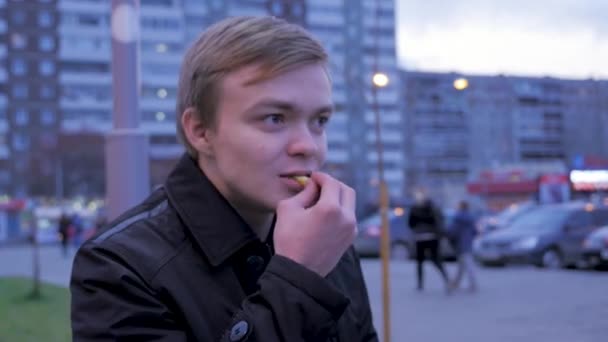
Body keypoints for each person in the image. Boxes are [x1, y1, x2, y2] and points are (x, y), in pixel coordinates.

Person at [70, 16, 378, 341]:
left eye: (320, 120)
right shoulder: (119, 267)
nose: (308, 146)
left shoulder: (326, 238)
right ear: (201, 131)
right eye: (274, 118)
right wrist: (298, 277)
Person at [408, 194, 450, 292]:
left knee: (420, 262)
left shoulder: (415, 209)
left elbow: (410, 224)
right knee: (435, 260)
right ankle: (446, 280)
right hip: (432, 237)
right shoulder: (433, 209)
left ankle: (420, 284)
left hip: (421, 237)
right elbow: (439, 222)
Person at [448, 200, 479, 292]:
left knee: (467, 263)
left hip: (460, 243)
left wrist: (449, 236)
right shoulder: (471, 218)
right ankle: (456, 282)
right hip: (468, 242)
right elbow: (475, 231)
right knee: (463, 264)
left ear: (460, 207)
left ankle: (472, 283)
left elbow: (453, 231)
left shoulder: (458, 218)